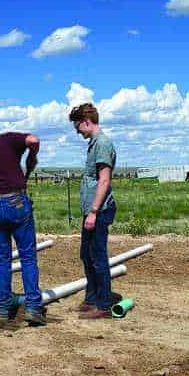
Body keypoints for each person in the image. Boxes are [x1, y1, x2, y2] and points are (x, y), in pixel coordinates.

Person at [0, 125, 46, 325]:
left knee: (2, 259)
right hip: (16, 201)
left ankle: (3, 309)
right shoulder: (8, 139)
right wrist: (32, 156)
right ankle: (33, 307)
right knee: (28, 256)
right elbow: (34, 140)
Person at [69, 102, 117, 319]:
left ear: (86, 121)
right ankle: (92, 299)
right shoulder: (95, 144)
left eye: (78, 126)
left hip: (98, 210)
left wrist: (94, 211)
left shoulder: (103, 144)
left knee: (97, 256)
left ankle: (104, 304)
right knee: (86, 255)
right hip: (91, 210)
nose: (77, 131)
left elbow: (104, 180)